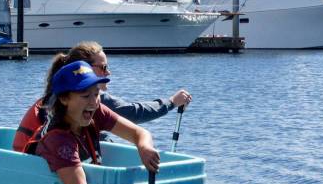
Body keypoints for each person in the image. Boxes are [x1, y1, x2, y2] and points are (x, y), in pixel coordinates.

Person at [36, 60, 160, 184]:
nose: (94, 102)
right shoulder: (58, 138)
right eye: (85, 96)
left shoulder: (95, 111)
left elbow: (140, 133)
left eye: (96, 94)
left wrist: (144, 147)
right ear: (64, 99)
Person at [13, 41, 192, 153]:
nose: (109, 72)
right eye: (103, 67)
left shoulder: (72, 98)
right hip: (34, 165)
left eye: (96, 95)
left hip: (28, 162)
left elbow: (132, 128)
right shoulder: (81, 102)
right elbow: (132, 112)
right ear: (84, 69)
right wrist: (171, 102)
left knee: (103, 139)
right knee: (105, 141)